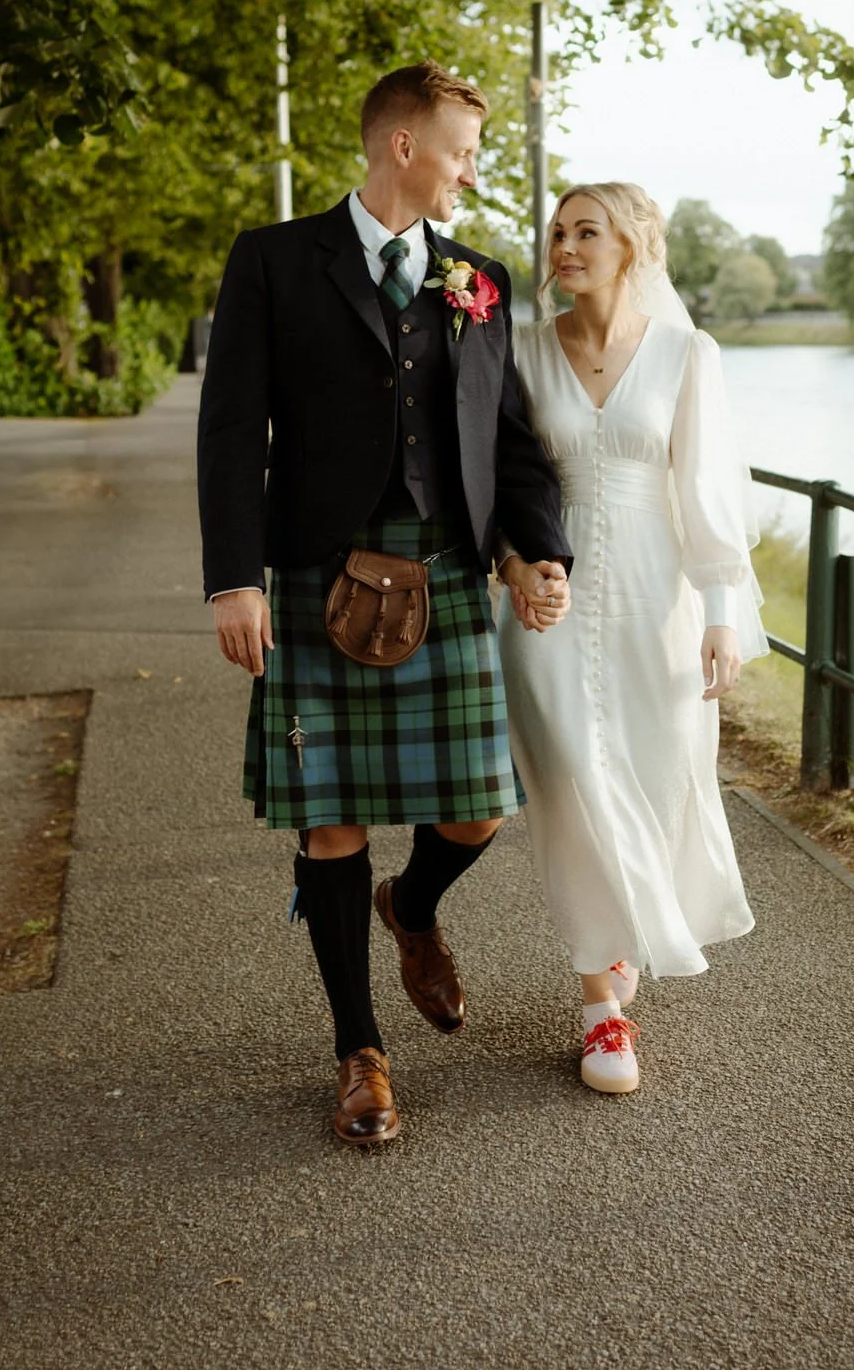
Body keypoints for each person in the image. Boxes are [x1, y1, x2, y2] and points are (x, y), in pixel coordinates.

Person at [197, 61, 571, 1146]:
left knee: (477, 805)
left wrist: (539, 551)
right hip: (319, 566)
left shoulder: (478, 277)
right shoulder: (272, 261)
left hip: (444, 567)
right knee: (332, 823)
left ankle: (411, 906)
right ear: (402, 146)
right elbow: (231, 431)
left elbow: (511, 442)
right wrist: (233, 576)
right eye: (461, 149)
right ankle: (360, 1051)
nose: (471, 170)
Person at [495, 182, 767, 1095]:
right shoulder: (522, 352)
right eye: (557, 233)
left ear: (633, 245)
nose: (564, 247)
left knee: (651, 782)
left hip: (660, 600)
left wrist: (723, 616)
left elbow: (708, 497)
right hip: (549, 600)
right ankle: (600, 1013)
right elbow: (498, 480)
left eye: (586, 232)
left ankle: (623, 967)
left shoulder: (690, 354)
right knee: (574, 783)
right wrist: (512, 567)